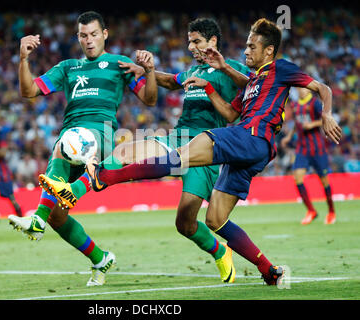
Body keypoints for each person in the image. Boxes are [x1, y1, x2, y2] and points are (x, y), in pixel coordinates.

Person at [44, 18, 342, 285]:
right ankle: (268, 270)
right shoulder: (218, 77)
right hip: (222, 144)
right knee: (211, 220)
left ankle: (100, 179)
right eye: (188, 41)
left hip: (229, 140)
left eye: (196, 40)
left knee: (175, 183)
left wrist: (327, 113)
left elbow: (298, 86)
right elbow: (213, 103)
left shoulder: (260, 69)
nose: (246, 50)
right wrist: (149, 70)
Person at [40, 18, 251, 283]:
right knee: (126, 151)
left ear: (213, 42)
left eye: (196, 41)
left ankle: (221, 250)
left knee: (185, 224)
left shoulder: (229, 67)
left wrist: (223, 70)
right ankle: (75, 190)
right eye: (188, 41)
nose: (190, 46)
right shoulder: (192, 71)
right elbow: (173, 82)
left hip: (207, 149)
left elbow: (252, 83)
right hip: (179, 139)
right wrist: (143, 71)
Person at [8, 11, 157, 286]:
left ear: (105, 34)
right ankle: (100, 258)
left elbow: (149, 99)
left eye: (93, 34)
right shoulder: (68, 67)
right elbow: (29, 91)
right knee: (57, 216)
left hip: (101, 132)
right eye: (83, 35)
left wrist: (149, 70)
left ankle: (36, 219)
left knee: (67, 143)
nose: (88, 41)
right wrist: (24, 58)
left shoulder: (119, 64)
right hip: (70, 133)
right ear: (78, 37)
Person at [281, 87, 336, 224]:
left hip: (317, 148)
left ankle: (331, 211)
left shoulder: (315, 103)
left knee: (324, 181)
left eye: (302, 87)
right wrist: (288, 136)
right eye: (298, 87)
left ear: (309, 90)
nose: (300, 90)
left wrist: (312, 124)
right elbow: (296, 124)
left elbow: (326, 120)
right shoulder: (294, 105)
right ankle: (311, 210)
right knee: (297, 178)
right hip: (302, 148)